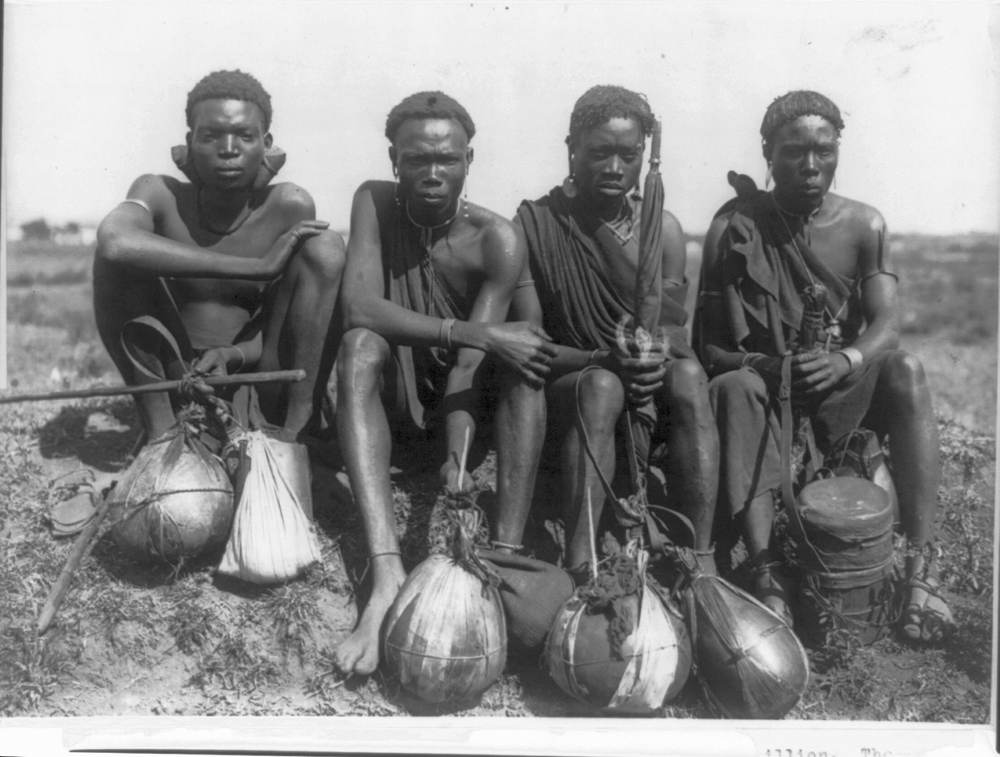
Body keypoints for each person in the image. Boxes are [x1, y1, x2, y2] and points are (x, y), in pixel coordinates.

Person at [695, 90, 951, 642]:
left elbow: (888, 324)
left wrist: (844, 359)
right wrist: (767, 364)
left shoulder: (866, 224)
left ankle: (920, 571)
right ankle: (766, 572)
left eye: (824, 150)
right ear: (767, 152)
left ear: (838, 151)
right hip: (768, 385)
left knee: (905, 368)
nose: (811, 166)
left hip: (840, 383)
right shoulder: (734, 226)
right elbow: (709, 347)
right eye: (793, 152)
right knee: (734, 386)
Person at [333, 91, 556, 676]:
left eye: (448, 160)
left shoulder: (496, 239)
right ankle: (385, 578)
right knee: (360, 347)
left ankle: (502, 563)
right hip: (389, 399)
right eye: (416, 160)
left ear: (469, 159)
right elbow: (359, 308)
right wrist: (471, 331)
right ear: (394, 161)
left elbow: (467, 364)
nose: (433, 173)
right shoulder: (374, 203)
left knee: (521, 368)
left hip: (459, 409)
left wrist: (456, 466)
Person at [512, 85, 719, 581]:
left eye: (629, 156)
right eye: (599, 152)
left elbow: (670, 328)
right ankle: (582, 560)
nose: (613, 168)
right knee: (604, 387)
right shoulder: (536, 225)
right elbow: (530, 341)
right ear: (572, 149)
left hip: (646, 380)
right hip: (575, 383)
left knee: (689, 376)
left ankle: (704, 557)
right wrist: (604, 359)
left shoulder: (662, 229)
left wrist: (652, 358)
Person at [93, 70, 344, 446]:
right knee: (115, 259)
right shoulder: (159, 194)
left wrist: (232, 354)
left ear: (266, 143)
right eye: (210, 136)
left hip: (255, 375)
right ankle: (160, 435)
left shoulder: (287, 206)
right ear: (190, 141)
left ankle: (296, 433)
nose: (228, 148)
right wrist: (257, 267)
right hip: (172, 376)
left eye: (245, 136)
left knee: (326, 246)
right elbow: (115, 239)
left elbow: (288, 318)